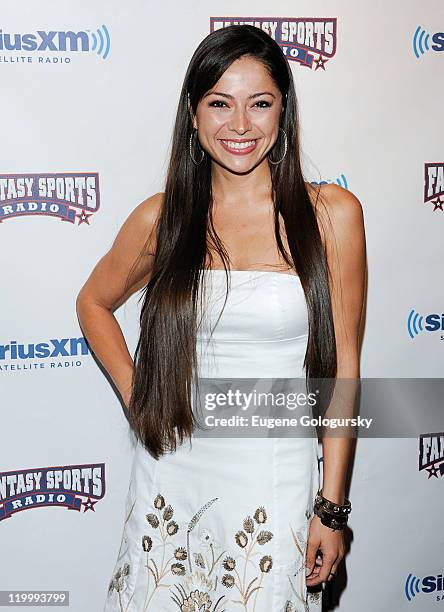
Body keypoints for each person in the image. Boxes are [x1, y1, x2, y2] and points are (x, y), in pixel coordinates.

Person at [76, 24, 366, 612]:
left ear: (283, 112)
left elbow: (344, 372)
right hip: (172, 472)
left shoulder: (332, 216)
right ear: (192, 112)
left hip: (273, 479)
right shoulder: (162, 220)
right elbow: (93, 302)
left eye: (259, 104)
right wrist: (142, 400)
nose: (239, 126)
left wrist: (331, 508)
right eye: (219, 104)